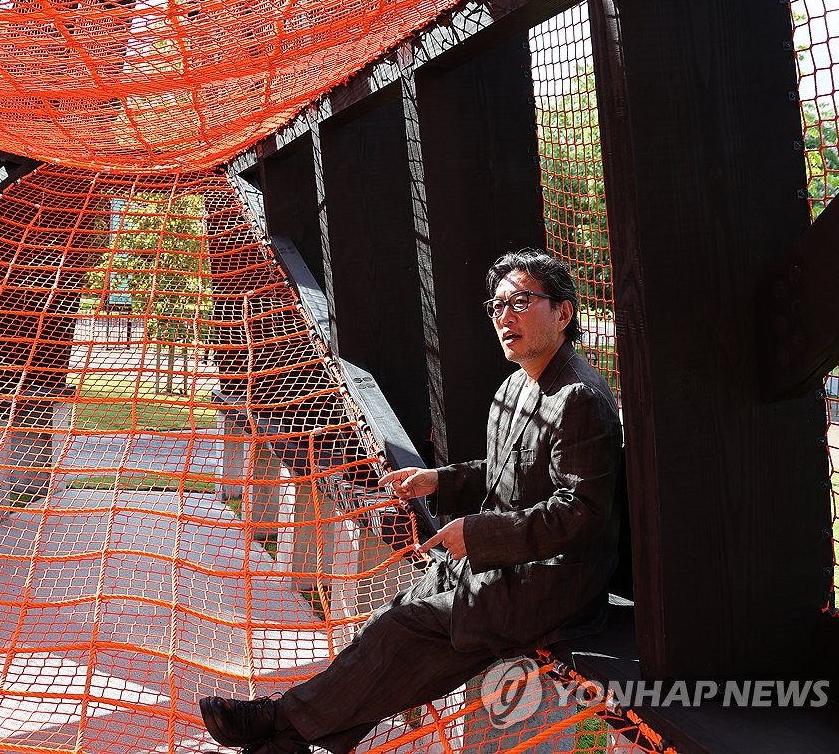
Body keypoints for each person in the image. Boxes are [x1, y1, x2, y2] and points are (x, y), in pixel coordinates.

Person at [198, 249, 624, 754]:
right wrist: (436, 482)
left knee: (404, 631)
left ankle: (280, 720)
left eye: (521, 301)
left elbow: (580, 512)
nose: (504, 316)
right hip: (501, 565)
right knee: (389, 625)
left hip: (552, 582)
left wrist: (478, 534)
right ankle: (288, 742)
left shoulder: (581, 397)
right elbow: (509, 471)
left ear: (564, 312)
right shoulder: (515, 386)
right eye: (497, 305)